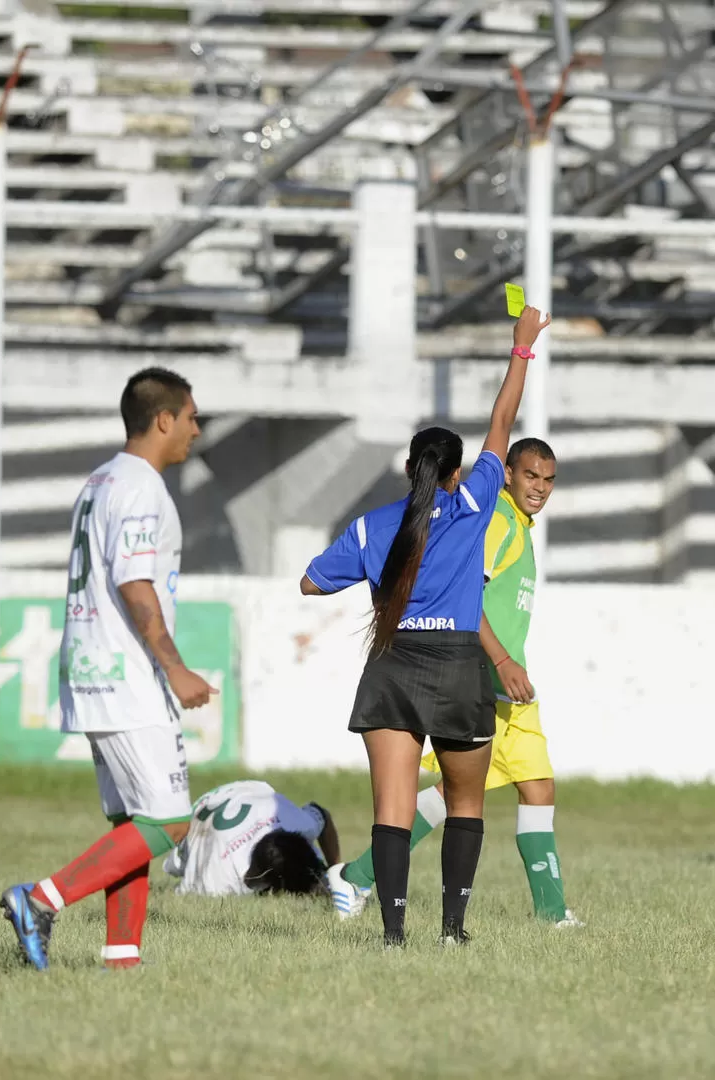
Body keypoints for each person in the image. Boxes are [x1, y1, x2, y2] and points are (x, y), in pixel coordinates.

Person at [300, 307, 551, 948]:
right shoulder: (474, 504)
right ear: (456, 471)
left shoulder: (373, 525)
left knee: (392, 812)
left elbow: (309, 581)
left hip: (393, 669)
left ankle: (391, 934)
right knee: (465, 804)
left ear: (410, 469)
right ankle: (453, 930)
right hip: (459, 666)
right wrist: (520, 347)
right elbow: (503, 421)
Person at [0, 367, 218, 971]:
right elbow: (133, 581)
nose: (197, 430)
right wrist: (173, 667)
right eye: (192, 417)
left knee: (132, 822)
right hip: (128, 674)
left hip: (92, 668)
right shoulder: (141, 487)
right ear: (164, 419)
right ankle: (39, 899)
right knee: (170, 821)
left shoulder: (100, 480)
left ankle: (122, 956)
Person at [329, 439, 583, 927]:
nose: (540, 488)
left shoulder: (520, 527)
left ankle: (551, 912)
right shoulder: (497, 525)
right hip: (482, 679)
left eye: (549, 480)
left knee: (532, 787)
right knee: (470, 794)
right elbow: (465, 598)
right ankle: (360, 876)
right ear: (508, 475)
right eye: (531, 476)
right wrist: (502, 660)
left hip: (509, 687)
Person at [163, 779, 340, 897]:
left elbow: (322, 814)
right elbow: (183, 892)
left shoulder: (299, 823)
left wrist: (336, 872)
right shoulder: (217, 879)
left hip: (250, 791)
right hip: (200, 816)